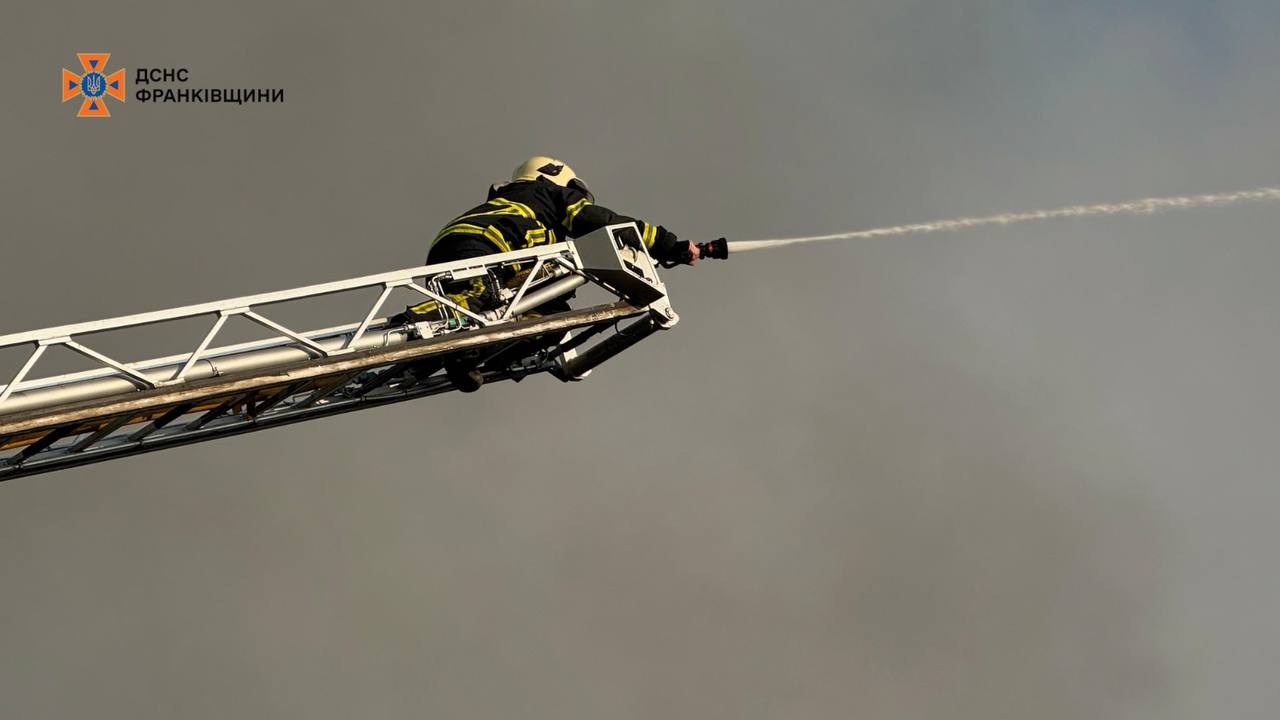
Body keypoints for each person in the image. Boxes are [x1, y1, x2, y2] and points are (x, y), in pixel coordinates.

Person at [397, 156, 700, 320]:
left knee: (500, 312)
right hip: (485, 244)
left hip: (451, 246)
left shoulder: (519, 199)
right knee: (475, 297)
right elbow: (601, 222)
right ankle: (411, 322)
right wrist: (667, 245)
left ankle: (461, 356)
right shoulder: (550, 194)